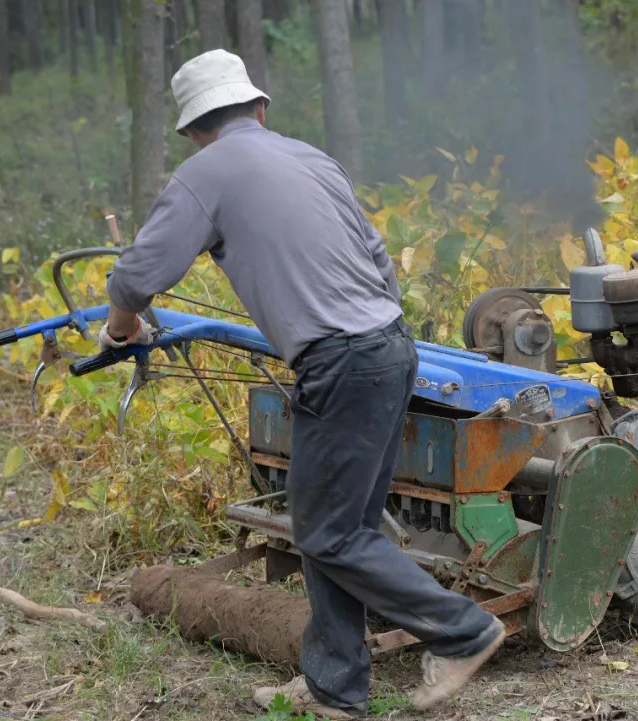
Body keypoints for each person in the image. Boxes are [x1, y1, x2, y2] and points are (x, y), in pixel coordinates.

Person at [100, 49, 505, 718]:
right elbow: (375, 254)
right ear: (259, 109)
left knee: (329, 533)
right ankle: (335, 689)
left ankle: (463, 629)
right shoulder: (314, 159)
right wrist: (373, 335)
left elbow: (139, 274)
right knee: (334, 525)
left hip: (340, 362)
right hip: (389, 347)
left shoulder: (206, 172)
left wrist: (121, 330)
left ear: (195, 128)